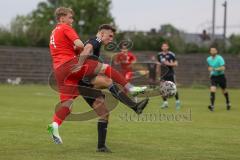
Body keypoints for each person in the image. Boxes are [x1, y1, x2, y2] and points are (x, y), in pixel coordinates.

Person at [47, 7, 148, 152]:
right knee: (106, 73)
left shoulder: (55, 32)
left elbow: (75, 49)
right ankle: (132, 91)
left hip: (63, 73)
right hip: (76, 71)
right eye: (110, 36)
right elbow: (85, 47)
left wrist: (78, 54)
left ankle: (56, 126)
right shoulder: (95, 38)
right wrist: (80, 62)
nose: (111, 39)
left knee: (91, 109)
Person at [156, 42, 180, 109]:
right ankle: (165, 103)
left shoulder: (171, 54)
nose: (164, 47)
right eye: (163, 46)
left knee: (173, 88)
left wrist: (168, 64)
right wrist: (157, 72)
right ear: (161, 47)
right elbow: (158, 64)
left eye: (165, 46)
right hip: (163, 74)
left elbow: (176, 64)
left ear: (168, 47)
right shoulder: (159, 55)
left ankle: (177, 102)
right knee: (161, 88)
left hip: (170, 73)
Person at [206, 46, 231, 111]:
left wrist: (215, 69)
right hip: (213, 77)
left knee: (224, 91)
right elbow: (209, 67)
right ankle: (212, 106)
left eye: (214, 50)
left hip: (221, 76)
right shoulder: (208, 59)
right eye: (211, 50)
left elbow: (223, 68)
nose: (213, 51)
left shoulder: (220, 58)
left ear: (216, 51)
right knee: (212, 89)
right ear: (210, 52)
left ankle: (228, 102)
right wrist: (210, 70)